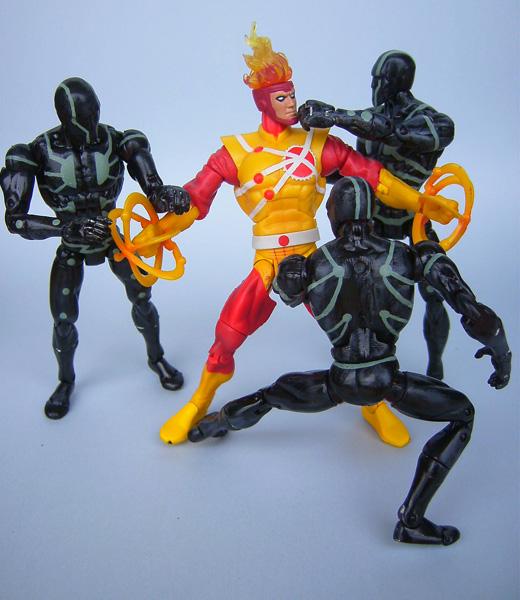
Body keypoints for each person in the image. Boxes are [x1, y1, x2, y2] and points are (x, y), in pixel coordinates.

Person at [158, 26, 459, 446]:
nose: (292, 103)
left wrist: (421, 202)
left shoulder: (319, 145)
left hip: (316, 262)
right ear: (263, 102)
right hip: (268, 261)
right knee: (226, 336)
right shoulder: (235, 151)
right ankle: (198, 401)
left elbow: (375, 178)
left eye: (292, 95)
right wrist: (161, 225)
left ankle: (373, 404)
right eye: (282, 97)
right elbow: (195, 199)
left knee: (358, 331)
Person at [189, 176, 511, 546]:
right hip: (387, 380)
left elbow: (284, 294)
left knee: (271, 396)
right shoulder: (410, 257)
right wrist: (502, 358)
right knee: (463, 415)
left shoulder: (312, 264)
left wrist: (287, 278)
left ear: (332, 215)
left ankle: (216, 423)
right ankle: (411, 518)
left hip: (338, 381)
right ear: (372, 213)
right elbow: (475, 313)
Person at [1, 77, 190, 418]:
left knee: (142, 297)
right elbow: (15, 221)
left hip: (114, 238)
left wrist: (164, 194)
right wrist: (66, 227)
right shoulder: (36, 152)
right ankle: (65, 380)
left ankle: (157, 358)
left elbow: (152, 188)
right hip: (72, 243)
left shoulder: (116, 140)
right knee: (63, 318)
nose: (91, 124)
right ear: (64, 118)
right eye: (83, 118)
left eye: (94, 113)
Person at [298, 50, 455, 384]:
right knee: (356, 278)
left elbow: (392, 132)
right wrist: (310, 165)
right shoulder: (370, 119)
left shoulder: (432, 122)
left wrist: (334, 115)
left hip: (413, 215)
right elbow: (355, 168)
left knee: (434, 291)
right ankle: (359, 348)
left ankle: (436, 364)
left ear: (397, 82)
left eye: (379, 80)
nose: (374, 86)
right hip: (370, 218)